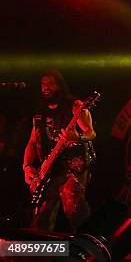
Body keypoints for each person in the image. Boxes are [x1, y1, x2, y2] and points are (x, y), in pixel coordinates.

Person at [23, 69, 96, 232]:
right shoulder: (40, 113)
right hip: (49, 170)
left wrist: (77, 137)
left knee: (75, 211)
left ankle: (84, 251)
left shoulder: (75, 106)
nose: (46, 87)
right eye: (43, 84)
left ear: (60, 85)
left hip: (72, 168)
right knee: (40, 218)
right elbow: (32, 142)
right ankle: (41, 256)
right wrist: (26, 166)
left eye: (50, 83)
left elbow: (91, 133)